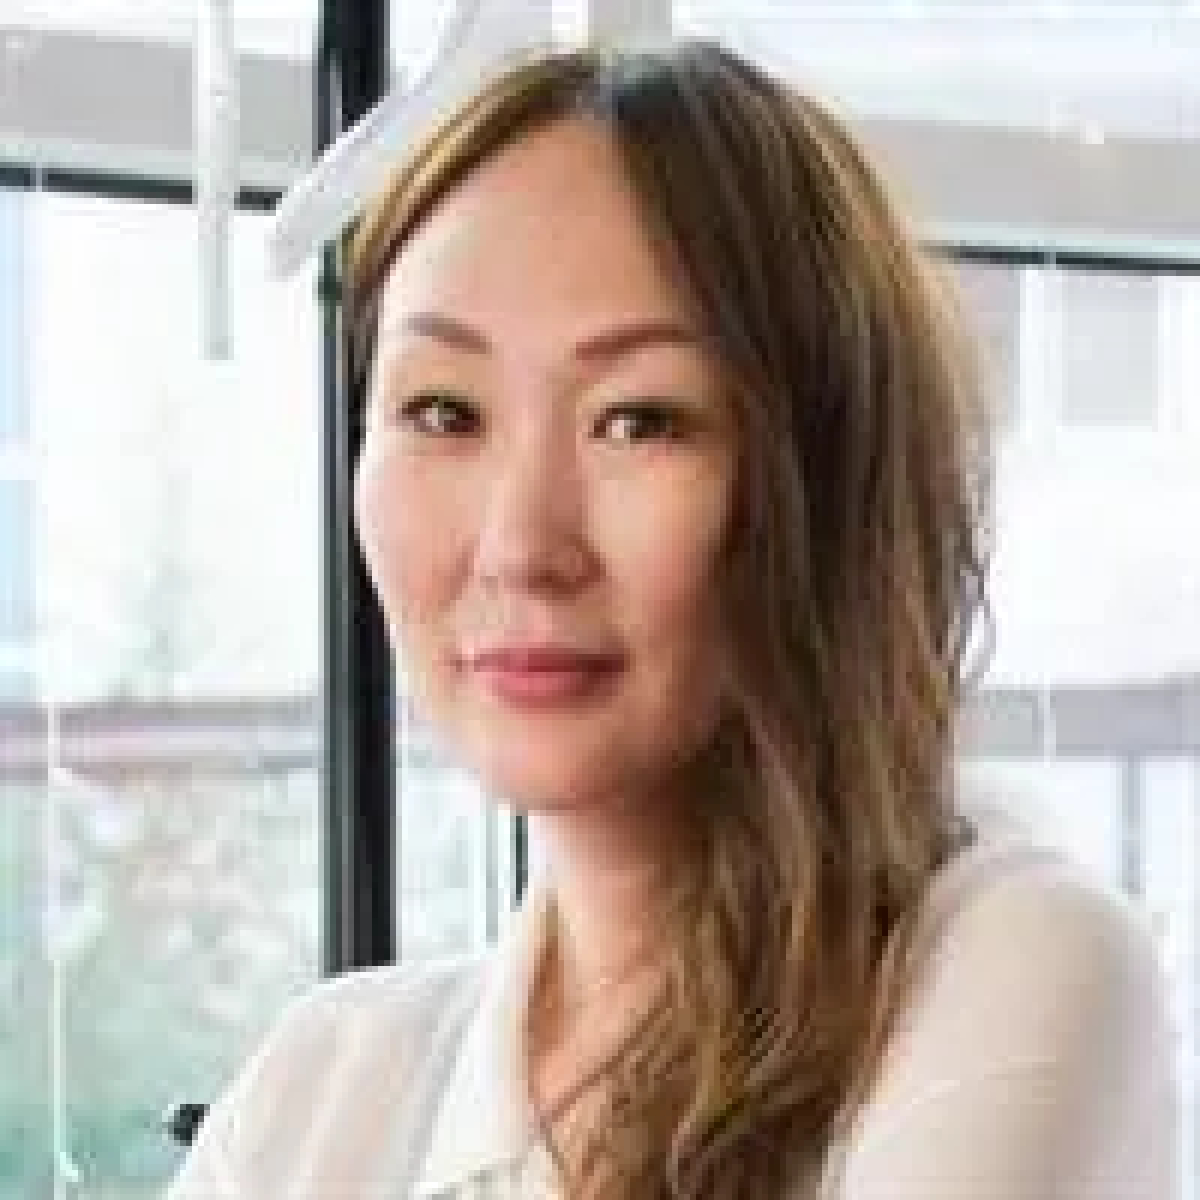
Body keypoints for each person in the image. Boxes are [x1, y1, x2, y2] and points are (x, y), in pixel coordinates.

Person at [166, 38, 1178, 1199]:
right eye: (442, 412)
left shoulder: (1014, 967)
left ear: (829, 483)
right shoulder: (320, 1094)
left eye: (639, 420)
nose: (520, 546)